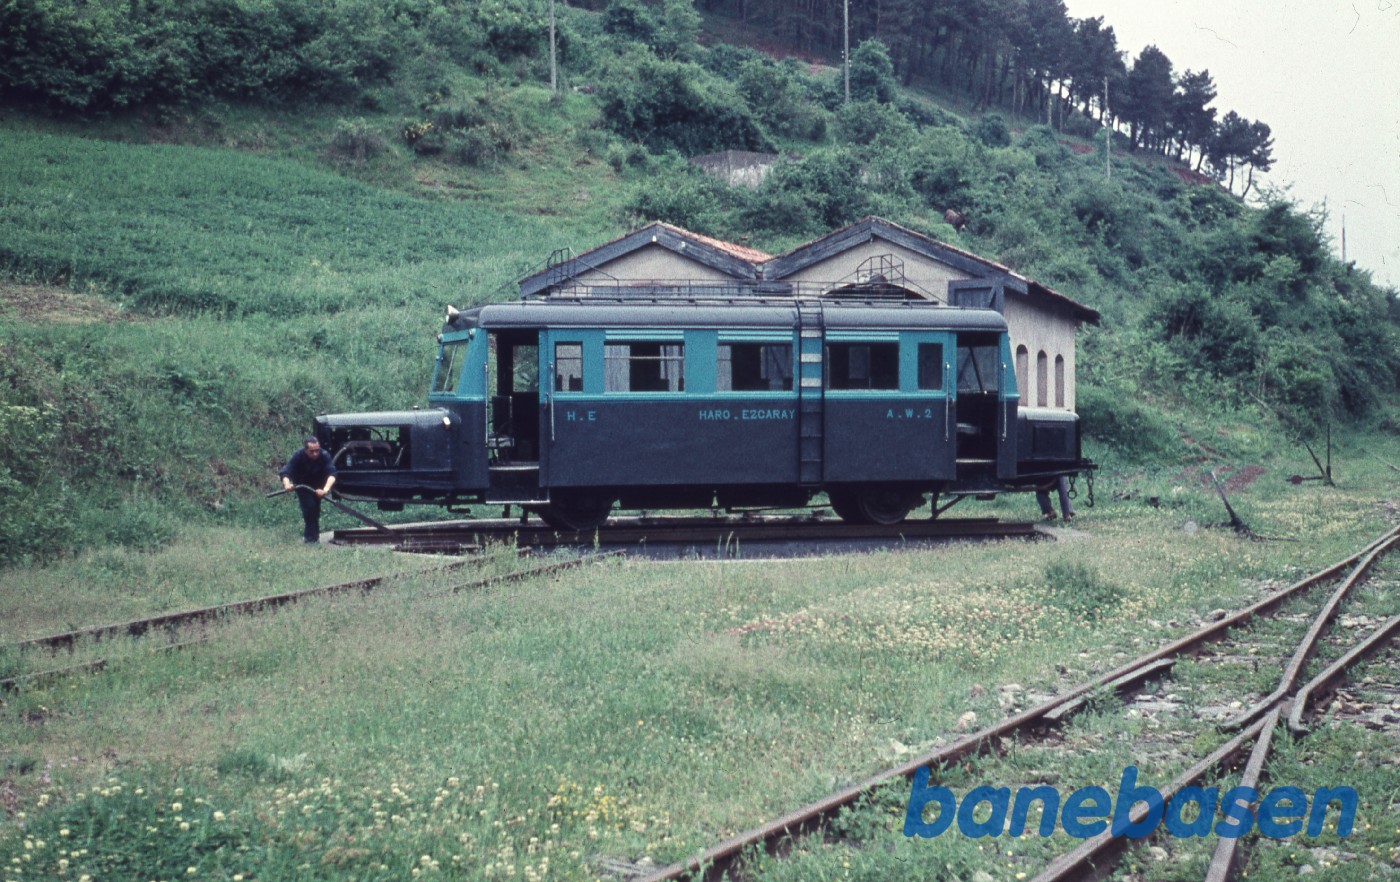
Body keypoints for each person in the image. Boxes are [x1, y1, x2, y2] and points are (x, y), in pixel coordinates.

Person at [279, 437, 337, 543]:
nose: (315, 454)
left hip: (319, 487)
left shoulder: (324, 455)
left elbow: (332, 474)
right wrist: (287, 484)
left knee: (315, 510)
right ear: (305, 450)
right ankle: (311, 539)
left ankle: (312, 537)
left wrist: (325, 489)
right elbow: (286, 472)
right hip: (303, 486)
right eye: (312, 451)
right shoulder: (298, 456)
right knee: (309, 508)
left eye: (317, 451)